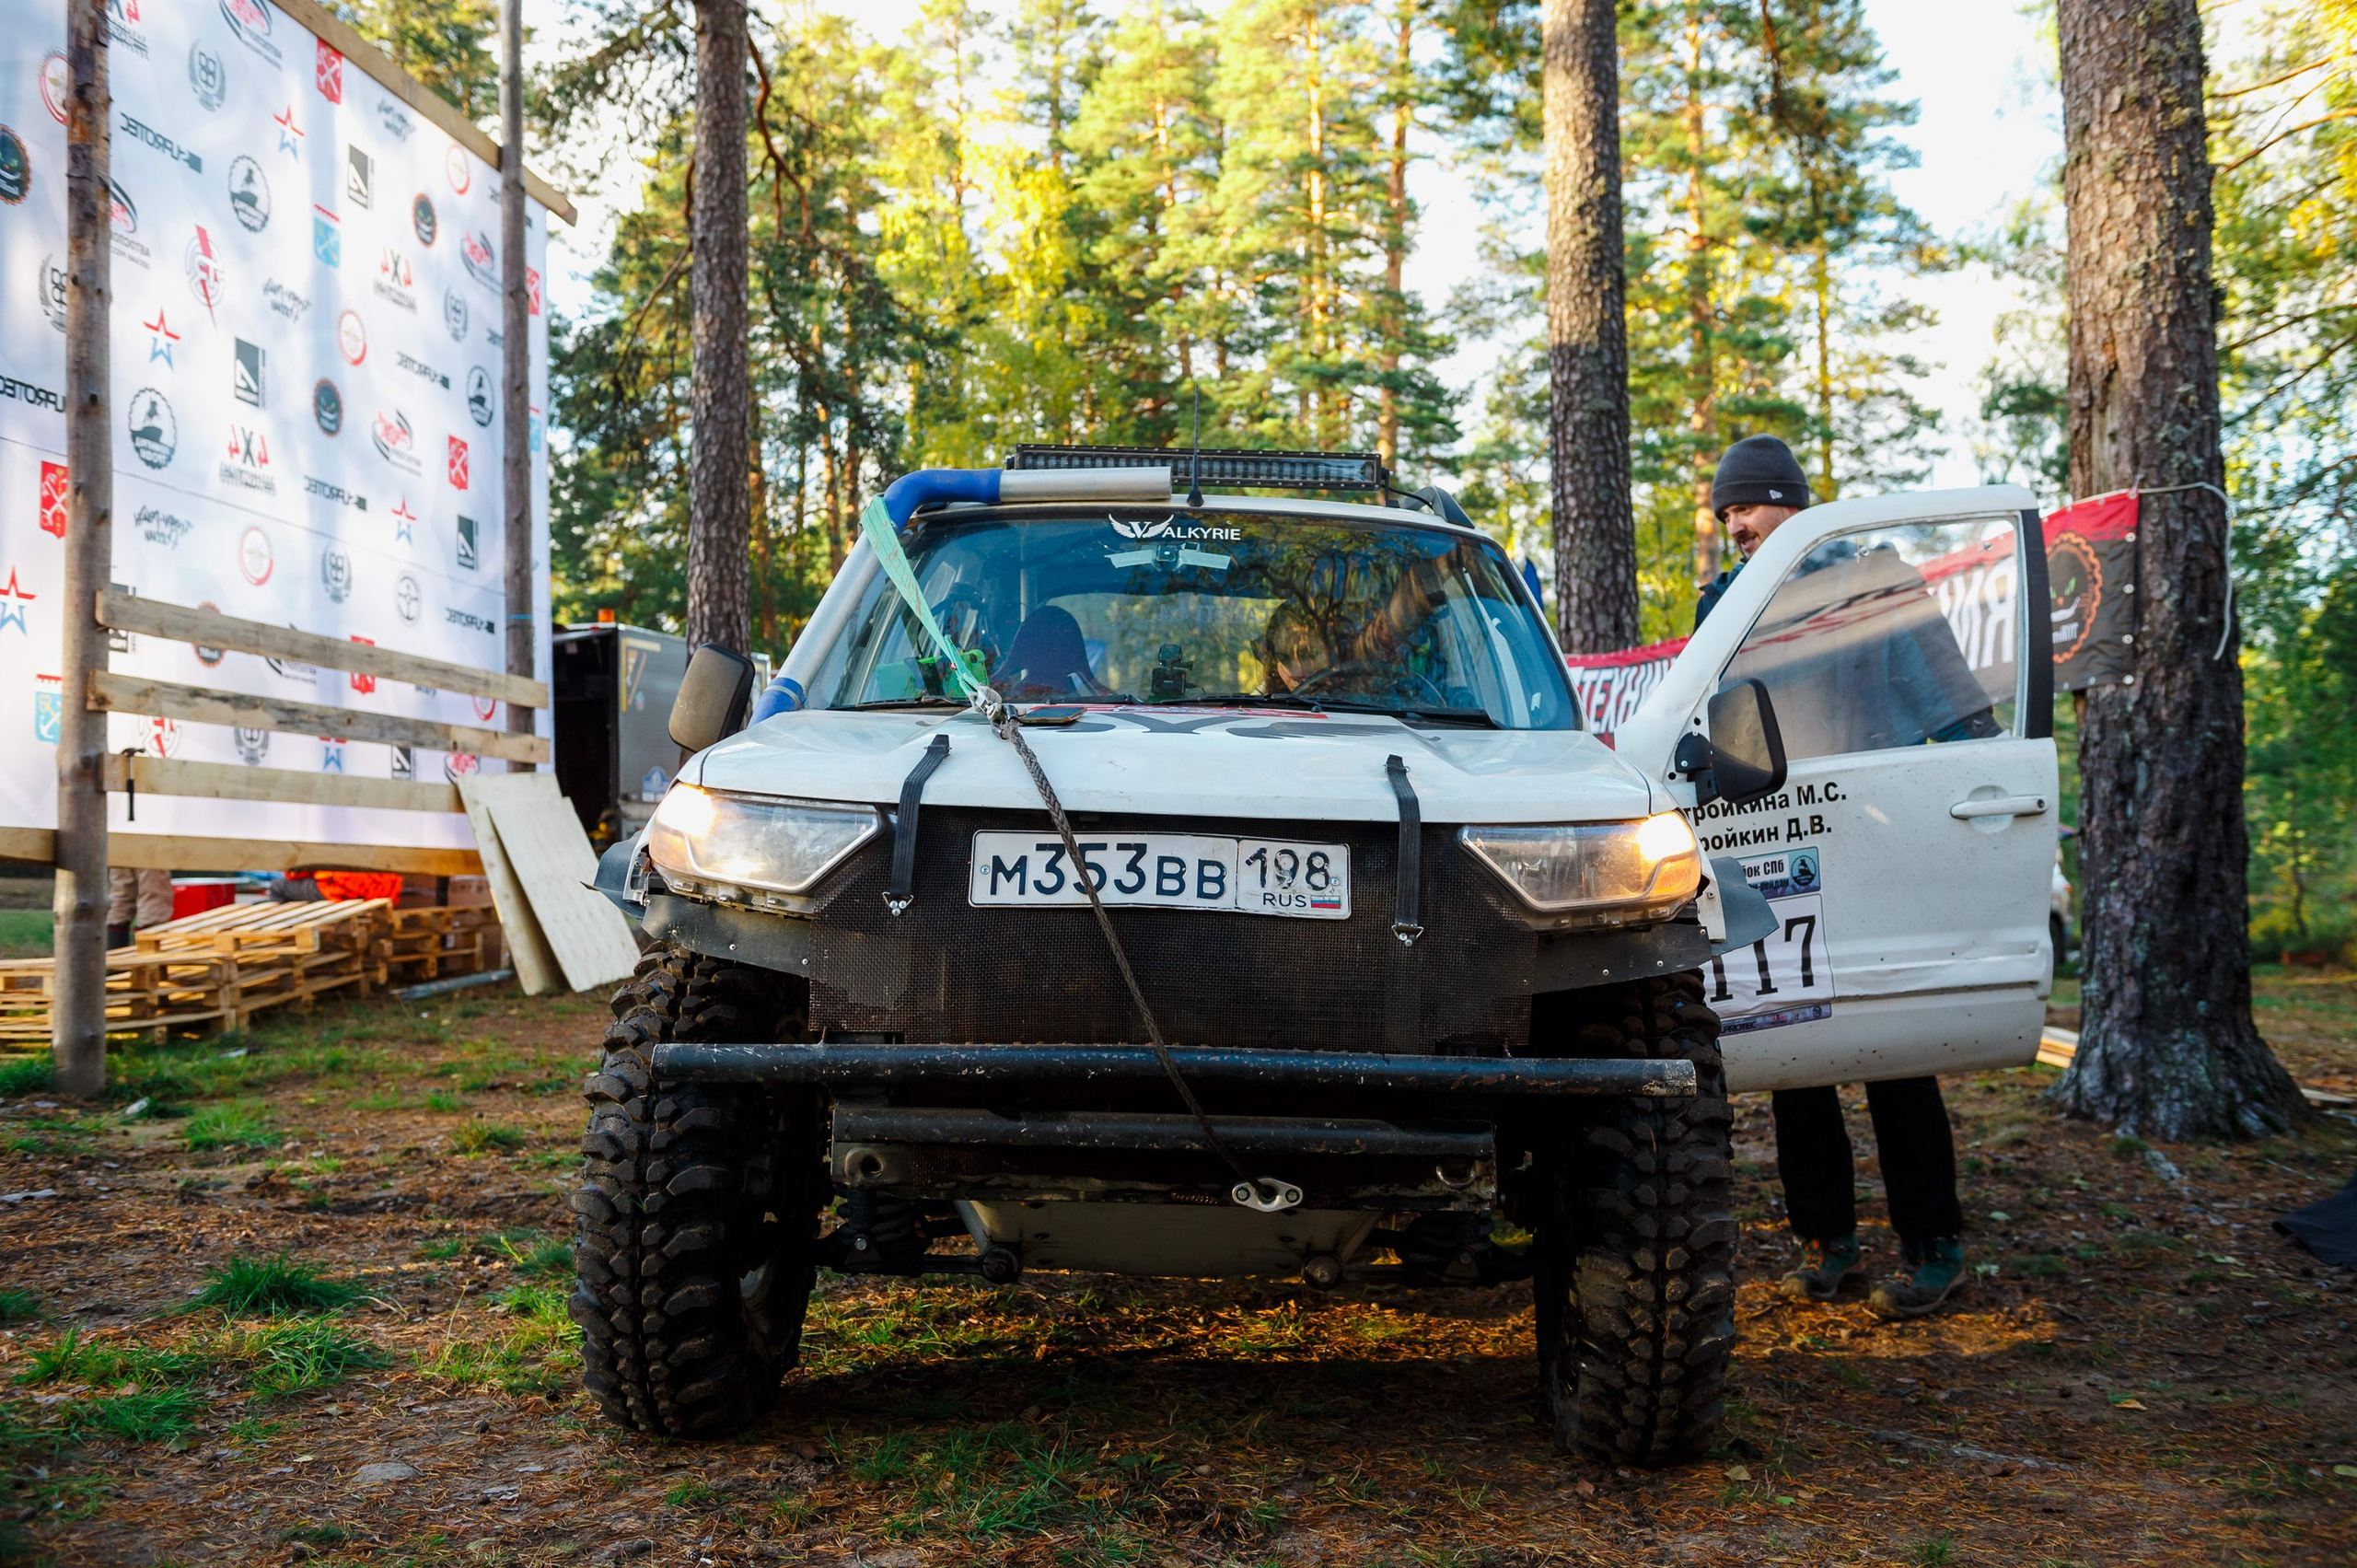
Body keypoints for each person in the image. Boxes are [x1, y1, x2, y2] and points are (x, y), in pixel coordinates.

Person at [1695, 433, 1969, 1320]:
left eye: (1746, 505)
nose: (1735, 523)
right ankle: (1830, 1243)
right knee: (1794, 1047)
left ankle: (1936, 1246)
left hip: (1879, 837)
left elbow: (1957, 709)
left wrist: (1974, 798)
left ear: (1791, 500)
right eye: (1726, 512)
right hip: (1776, 846)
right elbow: (1707, 732)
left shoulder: (1877, 582)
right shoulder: (1725, 603)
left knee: (1896, 1049)